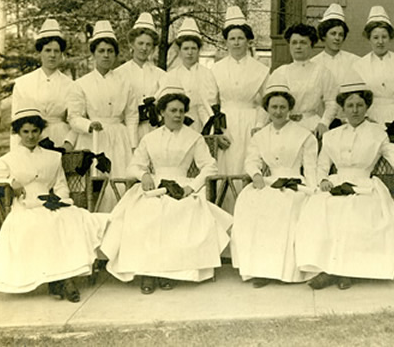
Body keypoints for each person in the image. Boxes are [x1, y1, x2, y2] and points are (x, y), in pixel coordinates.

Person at [100, 86, 232, 294]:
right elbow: (134, 166)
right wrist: (143, 175)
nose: (178, 115)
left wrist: (193, 186)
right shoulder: (149, 138)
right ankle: (147, 273)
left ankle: (169, 272)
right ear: (162, 112)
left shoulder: (194, 137)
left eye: (181, 111)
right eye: (173, 110)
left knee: (178, 213)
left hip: (183, 186)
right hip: (154, 185)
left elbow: (209, 165)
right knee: (143, 214)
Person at [295, 80, 394, 290]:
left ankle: (346, 271)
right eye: (350, 106)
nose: (355, 110)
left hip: (366, 186)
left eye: (359, 105)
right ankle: (328, 269)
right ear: (343, 109)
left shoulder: (377, 133)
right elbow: (322, 166)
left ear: (366, 107)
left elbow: (393, 155)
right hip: (337, 184)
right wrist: (324, 181)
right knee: (320, 209)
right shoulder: (331, 136)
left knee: (354, 213)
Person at [0, 108, 108, 301]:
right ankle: (62, 282)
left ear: (40, 132)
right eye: (25, 132)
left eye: (34, 131)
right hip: (25, 206)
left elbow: (61, 185)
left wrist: (62, 201)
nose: (31, 136)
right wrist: (10, 182)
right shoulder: (8, 159)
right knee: (41, 225)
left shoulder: (53, 157)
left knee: (70, 221)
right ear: (18, 133)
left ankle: (60, 281)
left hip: (52, 203)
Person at [231, 82, 318, 288]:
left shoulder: (304, 135)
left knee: (286, 206)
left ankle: (287, 270)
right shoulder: (260, 136)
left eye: (282, 107)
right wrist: (256, 175)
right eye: (274, 107)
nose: (278, 112)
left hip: (296, 183)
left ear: (289, 109)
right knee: (252, 203)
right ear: (267, 109)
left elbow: (311, 167)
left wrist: (313, 190)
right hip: (268, 183)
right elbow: (252, 160)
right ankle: (262, 269)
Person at [68, 20, 138, 212]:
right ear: (94, 54)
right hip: (93, 140)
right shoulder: (81, 84)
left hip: (119, 139)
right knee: (96, 188)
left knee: (121, 185)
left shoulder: (125, 83)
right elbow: (73, 117)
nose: (106, 55)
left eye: (110, 51)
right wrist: (89, 125)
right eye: (101, 51)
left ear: (115, 54)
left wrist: (133, 145)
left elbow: (132, 116)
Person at [211, 6, 269, 177]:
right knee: (227, 166)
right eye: (232, 38)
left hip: (250, 125)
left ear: (248, 41)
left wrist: (259, 126)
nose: (236, 42)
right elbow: (211, 103)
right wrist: (217, 132)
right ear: (226, 42)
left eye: (240, 38)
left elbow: (269, 101)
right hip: (225, 125)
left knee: (248, 164)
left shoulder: (260, 69)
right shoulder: (216, 69)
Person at [353, 6, 394, 136]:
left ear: (390, 37)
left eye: (384, 36)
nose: (380, 42)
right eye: (375, 37)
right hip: (369, 119)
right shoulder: (359, 66)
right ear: (369, 39)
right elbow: (356, 98)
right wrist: (365, 119)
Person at [11, 19, 76, 150]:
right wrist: (16, 153)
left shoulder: (70, 85)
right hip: (32, 141)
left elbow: (75, 120)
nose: (52, 55)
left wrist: (68, 144)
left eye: (56, 51)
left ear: (61, 54)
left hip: (60, 141)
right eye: (47, 50)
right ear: (40, 52)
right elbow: (16, 123)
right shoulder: (23, 83)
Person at [269, 23, 338, 139]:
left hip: (311, 126)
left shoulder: (322, 71)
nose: (298, 47)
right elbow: (268, 104)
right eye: (294, 43)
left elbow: (332, 102)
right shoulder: (279, 72)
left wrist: (324, 123)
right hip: (284, 125)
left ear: (311, 45)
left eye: (303, 42)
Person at [115, 13, 166, 140]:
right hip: (127, 130)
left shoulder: (161, 75)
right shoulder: (119, 74)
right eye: (140, 43)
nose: (144, 48)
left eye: (148, 44)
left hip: (154, 130)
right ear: (132, 44)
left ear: (153, 48)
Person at [162, 17, 219, 133]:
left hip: (200, 124)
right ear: (179, 51)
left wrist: (207, 127)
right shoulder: (171, 75)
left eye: (194, 48)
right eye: (186, 48)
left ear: (199, 50)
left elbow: (210, 104)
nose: (190, 52)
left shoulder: (207, 74)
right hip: (175, 124)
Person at [311, 3, 360, 87]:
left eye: (340, 34)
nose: (337, 38)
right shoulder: (314, 63)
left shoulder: (354, 61)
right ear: (324, 35)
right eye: (333, 34)